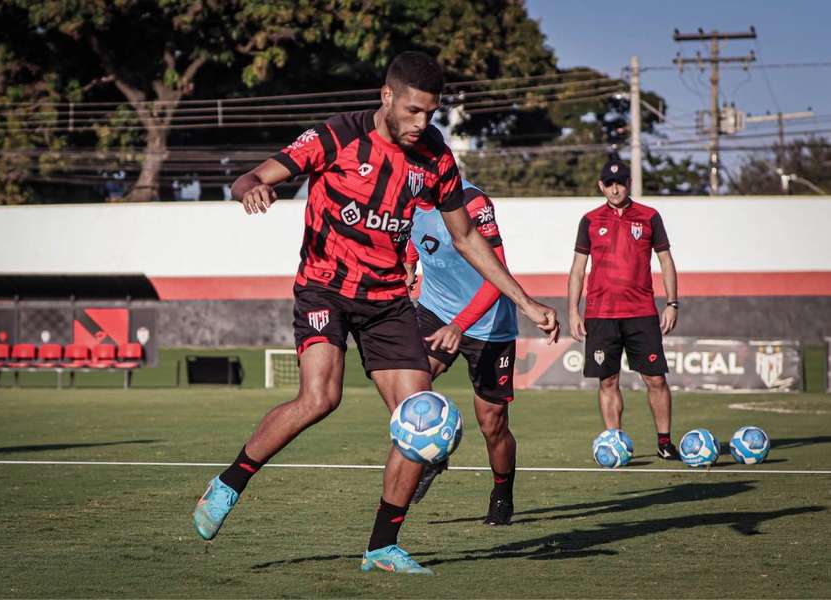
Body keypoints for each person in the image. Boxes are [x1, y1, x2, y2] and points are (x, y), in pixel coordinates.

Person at [192, 51, 560, 575]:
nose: (421, 123)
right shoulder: (335, 136)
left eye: (430, 113)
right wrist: (254, 189)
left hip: (387, 302)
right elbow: (249, 177)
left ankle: (382, 546)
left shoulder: (435, 157)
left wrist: (525, 301)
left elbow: (466, 238)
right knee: (321, 397)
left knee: (420, 419)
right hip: (324, 289)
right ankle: (230, 482)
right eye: (412, 111)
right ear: (386, 97)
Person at [402, 179, 519, 525]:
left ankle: (502, 493)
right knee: (408, 384)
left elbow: (498, 275)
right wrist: (409, 265)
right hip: (434, 310)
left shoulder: (471, 200)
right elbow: (412, 235)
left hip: (489, 325)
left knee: (492, 423)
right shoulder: (403, 197)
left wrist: (460, 325)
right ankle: (434, 455)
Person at [568, 159, 680, 460]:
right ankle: (615, 443)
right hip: (600, 314)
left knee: (655, 379)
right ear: (601, 186)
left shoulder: (649, 217)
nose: (615, 188)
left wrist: (672, 303)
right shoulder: (589, 220)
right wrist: (573, 311)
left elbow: (666, 261)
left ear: (629, 183)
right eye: (609, 183)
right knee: (608, 380)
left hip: (642, 312)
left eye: (620, 182)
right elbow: (578, 269)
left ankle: (664, 442)